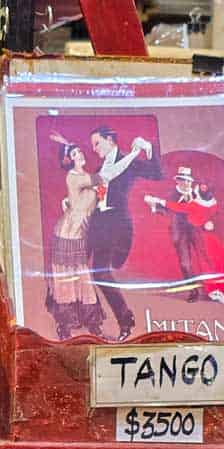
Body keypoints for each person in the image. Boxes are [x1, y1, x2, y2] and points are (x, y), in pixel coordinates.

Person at [88, 126, 161, 341]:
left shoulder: (128, 162)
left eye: (97, 143)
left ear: (110, 140)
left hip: (114, 225)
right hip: (94, 224)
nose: (93, 149)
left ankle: (125, 320)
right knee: (77, 272)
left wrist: (148, 149)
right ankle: (92, 321)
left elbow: (157, 173)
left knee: (100, 274)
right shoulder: (102, 165)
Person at [143, 169, 224, 304]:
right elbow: (167, 210)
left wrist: (210, 222)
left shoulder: (197, 195)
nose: (186, 183)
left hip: (200, 233)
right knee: (187, 263)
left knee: (208, 261)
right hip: (181, 232)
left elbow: (206, 212)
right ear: (178, 181)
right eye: (183, 180)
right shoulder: (172, 194)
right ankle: (195, 291)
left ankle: (222, 288)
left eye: (188, 181)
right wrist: (155, 206)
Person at [44, 141, 104, 339]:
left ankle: (92, 323)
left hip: (79, 234)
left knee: (83, 277)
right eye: (75, 153)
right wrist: (134, 153)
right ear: (70, 160)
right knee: (66, 279)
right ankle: (65, 325)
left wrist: (68, 202)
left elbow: (83, 201)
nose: (80, 154)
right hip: (66, 234)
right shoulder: (75, 177)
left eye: (80, 150)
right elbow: (104, 177)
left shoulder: (83, 179)